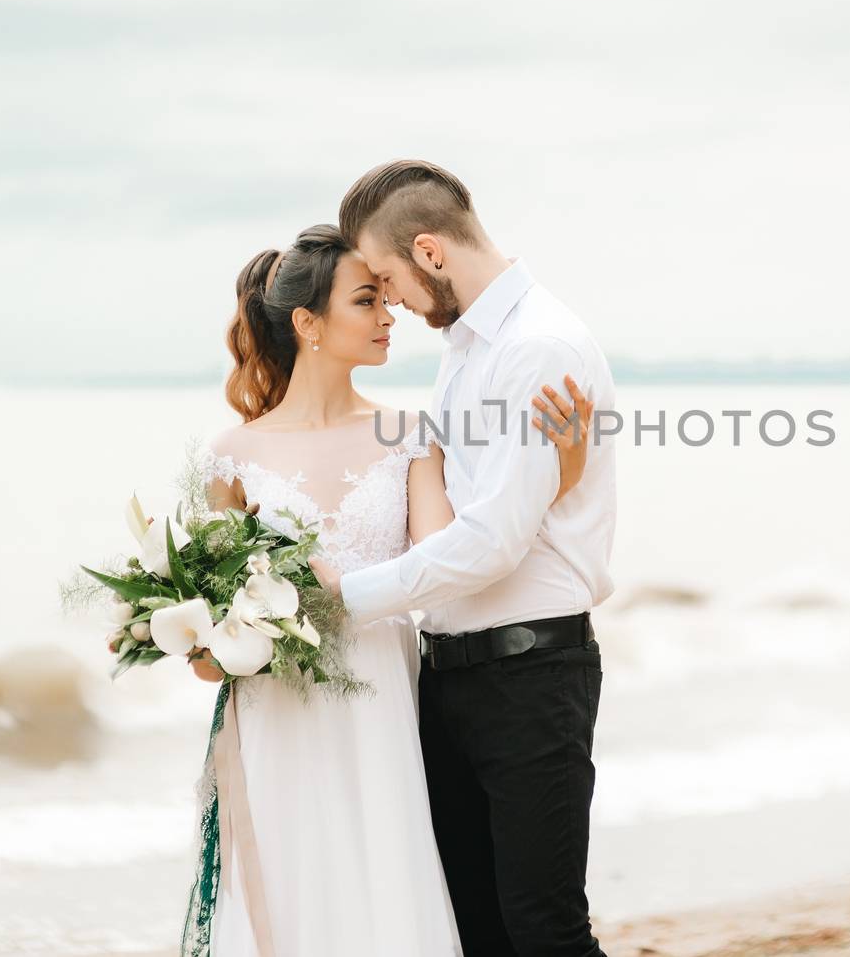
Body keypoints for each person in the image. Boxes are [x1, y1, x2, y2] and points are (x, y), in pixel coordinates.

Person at [178, 222, 593, 956]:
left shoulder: (408, 433)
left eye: (384, 299)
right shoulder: (228, 456)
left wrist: (554, 477)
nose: (388, 316)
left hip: (389, 699)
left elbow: (450, 564)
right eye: (367, 301)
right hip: (278, 712)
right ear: (307, 323)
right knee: (296, 893)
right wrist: (197, 639)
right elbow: (212, 644)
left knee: (394, 886)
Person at [310, 160, 617, 957]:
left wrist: (344, 596)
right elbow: (454, 506)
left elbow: (492, 541)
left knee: (544, 930)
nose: (393, 303)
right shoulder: (465, 350)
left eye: (387, 278)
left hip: (530, 675)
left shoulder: (538, 348)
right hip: (453, 677)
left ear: (430, 252)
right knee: (474, 927)